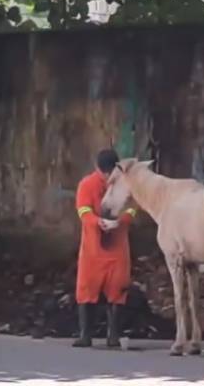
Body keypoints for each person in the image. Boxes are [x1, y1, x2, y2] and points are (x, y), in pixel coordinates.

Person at [73, 149, 137, 348]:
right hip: (93, 247)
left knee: (117, 288)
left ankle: (113, 335)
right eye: (105, 174)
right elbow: (83, 210)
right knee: (87, 288)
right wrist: (97, 222)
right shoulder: (87, 185)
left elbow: (132, 207)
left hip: (117, 247)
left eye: (110, 173)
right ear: (98, 169)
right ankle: (85, 335)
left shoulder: (124, 185)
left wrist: (122, 221)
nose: (107, 177)